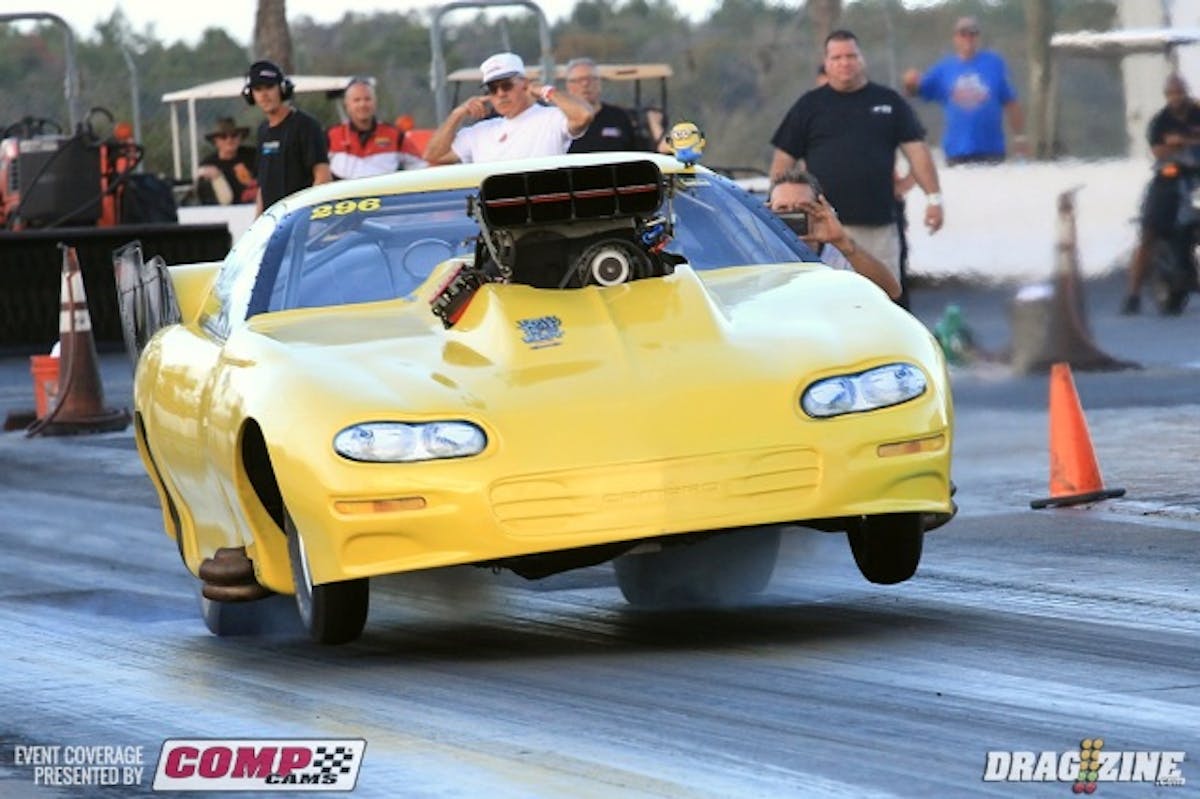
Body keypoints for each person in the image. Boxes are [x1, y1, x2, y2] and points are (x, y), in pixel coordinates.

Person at [769, 29, 943, 294]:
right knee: (825, 297)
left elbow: (918, 152)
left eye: (851, 55)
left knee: (884, 296)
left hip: (877, 226)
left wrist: (934, 199)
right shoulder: (809, 106)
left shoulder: (889, 102)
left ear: (862, 59)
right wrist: (779, 211)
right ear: (826, 63)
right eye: (836, 57)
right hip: (819, 228)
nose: (844, 62)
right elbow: (783, 161)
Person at [422, 52, 594, 165]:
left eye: (506, 86)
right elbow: (433, 156)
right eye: (492, 89)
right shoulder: (479, 131)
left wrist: (544, 90)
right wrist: (457, 114)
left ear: (524, 84)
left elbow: (584, 115)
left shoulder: (551, 118)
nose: (500, 94)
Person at [901, 16, 1029, 165]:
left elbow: (1011, 102)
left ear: (978, 37)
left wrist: (1020, 137)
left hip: (991, 151)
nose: (968, 38)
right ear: (955, 38)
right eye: (963, 33)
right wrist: (909, 82)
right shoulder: (944, 69)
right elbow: (914, 91)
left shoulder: (994, 63)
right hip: (957, 152)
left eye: (973, 33)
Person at [1121, 73, 1200, 314]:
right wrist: (1180, 144)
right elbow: (1157, 150)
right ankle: (1133, 295)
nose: (1176, 97)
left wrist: (1182, 140)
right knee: (1149, 231)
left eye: (1180, 92)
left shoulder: (1197, 111)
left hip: (1197, 176)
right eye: (1171, 93)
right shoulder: (1160, 120)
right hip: (1170, 178)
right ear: (1166, 96)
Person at [767, 166, 901, 301]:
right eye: (782, 209)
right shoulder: (758, 252)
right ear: (767, 211)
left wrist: (843, 243)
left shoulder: (839, 253)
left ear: (819, 209)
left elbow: (891, 291)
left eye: (802, 208)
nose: (793, 215)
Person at [245, 59, 331, 215]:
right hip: (273, 222)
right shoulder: (262, 131)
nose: (264, 95)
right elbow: (262, 187)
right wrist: (258, 223)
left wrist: (308, 217)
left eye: (269, 87)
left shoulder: (306, 125)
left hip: (301, 218)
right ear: (251, 95)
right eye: (258, 89)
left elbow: (323, 176)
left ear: (282, 89)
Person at [564, 57, 670, 154]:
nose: (585, 85)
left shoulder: (619, 117)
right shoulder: (559, 119)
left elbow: (638, 153)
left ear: (599, 83)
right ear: (568, 86)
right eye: (579, 80)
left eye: (590, 79)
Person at [327, 77, 426, 179]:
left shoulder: (395, 135)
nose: (363, 104)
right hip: (345, 193)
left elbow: (420, 168)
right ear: (347, 105)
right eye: (357, 100)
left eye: (367, 99)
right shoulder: (331, 135)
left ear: (375, 102)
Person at [196, 117, 257, 205]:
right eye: (223, 137)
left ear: (240, 137)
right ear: (215, 141)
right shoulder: (208, 163)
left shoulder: (253, 155)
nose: (229, 140)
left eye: (234, 135)